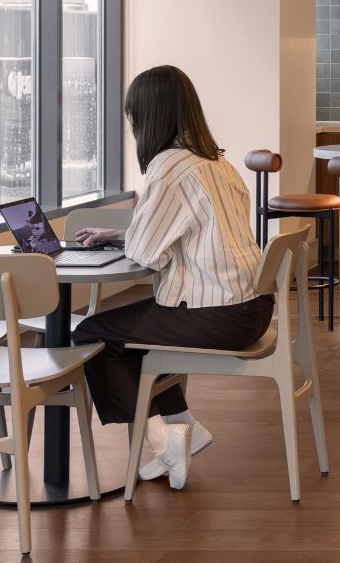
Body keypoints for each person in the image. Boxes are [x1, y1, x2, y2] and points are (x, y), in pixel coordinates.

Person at [71, 66, 269, 490]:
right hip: (250, 307)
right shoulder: (217, 162)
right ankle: (182, 430)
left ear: (148, 117)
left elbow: (146, 254)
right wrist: (121, 232)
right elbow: (186, 231)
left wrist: (130, 237)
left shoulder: (168, 168)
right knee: (134, 335)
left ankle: (167, 438)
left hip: (216, 314)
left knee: (92, 334)